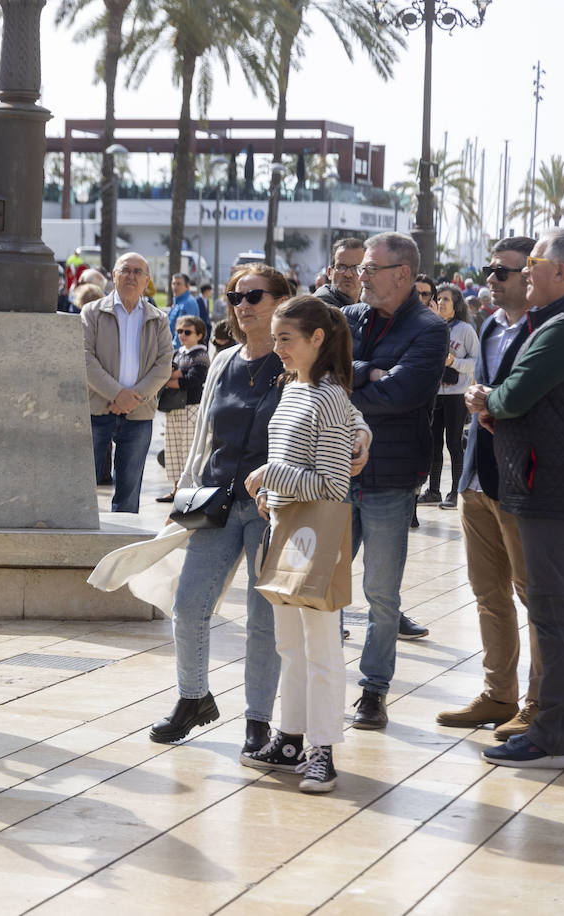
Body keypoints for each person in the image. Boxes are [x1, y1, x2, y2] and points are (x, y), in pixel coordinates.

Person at [149, 265, 371, 755]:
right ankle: (193, 697)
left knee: (263, 621)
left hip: (274, 511)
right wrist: (183, 492)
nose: (241, 304)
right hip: (217, 501)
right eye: (234, 295)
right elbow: (205, 431)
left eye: (253, 295)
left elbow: (344, 412)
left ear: (280, 301)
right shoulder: (226, 359)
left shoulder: (297, 363)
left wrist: (361, 434)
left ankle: (259, 720)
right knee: (188, 606)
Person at [240, 296, 355, 793]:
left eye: (286, 338)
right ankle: (290, 739)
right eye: (277, 337)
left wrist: (273, 475)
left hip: (314, 535)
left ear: (317, 339)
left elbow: (333, 484)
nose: (278, 346)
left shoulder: (327, 396)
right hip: (283, 528)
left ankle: (322, 751)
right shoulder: (293, 388)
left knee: (322, 647)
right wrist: (270, 490)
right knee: (289, 644)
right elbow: (290, 457)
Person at [440, 237, 545, 736]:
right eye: (488, 270)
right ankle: (498, 694)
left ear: (532, 275)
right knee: (488, 594)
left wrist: (491, 402)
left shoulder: (546, 330)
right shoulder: (488, 327)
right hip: (477, 478)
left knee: (535, 596)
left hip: (523, 485)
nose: (490, 279)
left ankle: (539, 704)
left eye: (501, 271)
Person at [344, 231, 448, 728]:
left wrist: (353, 381)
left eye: (369, 269)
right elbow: (321, 377)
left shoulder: (430, 328)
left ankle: (373, 689)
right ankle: (315, 677)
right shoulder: (348, 318)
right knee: (318, 582)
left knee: (382, 595)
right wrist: (372, 372)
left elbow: (404, 393)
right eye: (361, 268)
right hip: (336, 473)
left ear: (402, 275)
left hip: (391, 478)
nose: (359, 276)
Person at [473, 229, 564, 768]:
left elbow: (513, 397)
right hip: (545, 486)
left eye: (535, 261)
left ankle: (551, 734)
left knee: (553, 615)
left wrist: (487, 398)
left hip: (548, 491)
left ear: (562, 271)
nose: (527, 270)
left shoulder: (560, 328)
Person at [82, 252, 173, 511]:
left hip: (139, 414)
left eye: (138, 272)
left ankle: (122, 548)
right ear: (114, 275)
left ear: (147, 280)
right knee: (84, 487)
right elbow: (84, 358)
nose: (131, 276)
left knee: (129, 493)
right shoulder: (92, 313)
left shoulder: (159, 319)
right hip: (97, 411)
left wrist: (133, 399)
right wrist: (117, 394)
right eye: (126, 270)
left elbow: (164, 364)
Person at [418, 283, 477, 509]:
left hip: (456, 393)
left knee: (454, 443)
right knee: (433, 444)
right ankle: (433, 490)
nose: (441, 303)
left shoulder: (465, 330)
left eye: (446, 300)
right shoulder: (431, 326)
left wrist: (454, 362)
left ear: (456, 305)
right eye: (438, 298)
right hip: (435, 392)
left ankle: (456, 491)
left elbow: (476, 361)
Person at [155, 314, 209, 503]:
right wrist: (175, 378)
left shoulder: (201, 355)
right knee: (173, 451)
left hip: (192, 407)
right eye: (179, 331)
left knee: (188, 451)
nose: (182, 335)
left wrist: (174, 379)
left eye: (187, 332)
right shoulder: (178, 353)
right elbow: (166, 375)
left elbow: (193, 380)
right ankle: (176, 490)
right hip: (174, 407)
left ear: (199, 335)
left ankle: (189, 492)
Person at [314, 238, 365, 308]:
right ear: (329, 272)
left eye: (356, 268)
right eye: (341, 267)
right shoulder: (321, 305)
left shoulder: (368, 301)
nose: (348, 274)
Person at [168, 272, 205, 347]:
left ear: (187, 286)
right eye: (173, 283)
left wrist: (171, 350)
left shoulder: (188, 303)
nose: (175, 287)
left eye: (178, 284)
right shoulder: (178, 302)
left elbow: (184, 331)